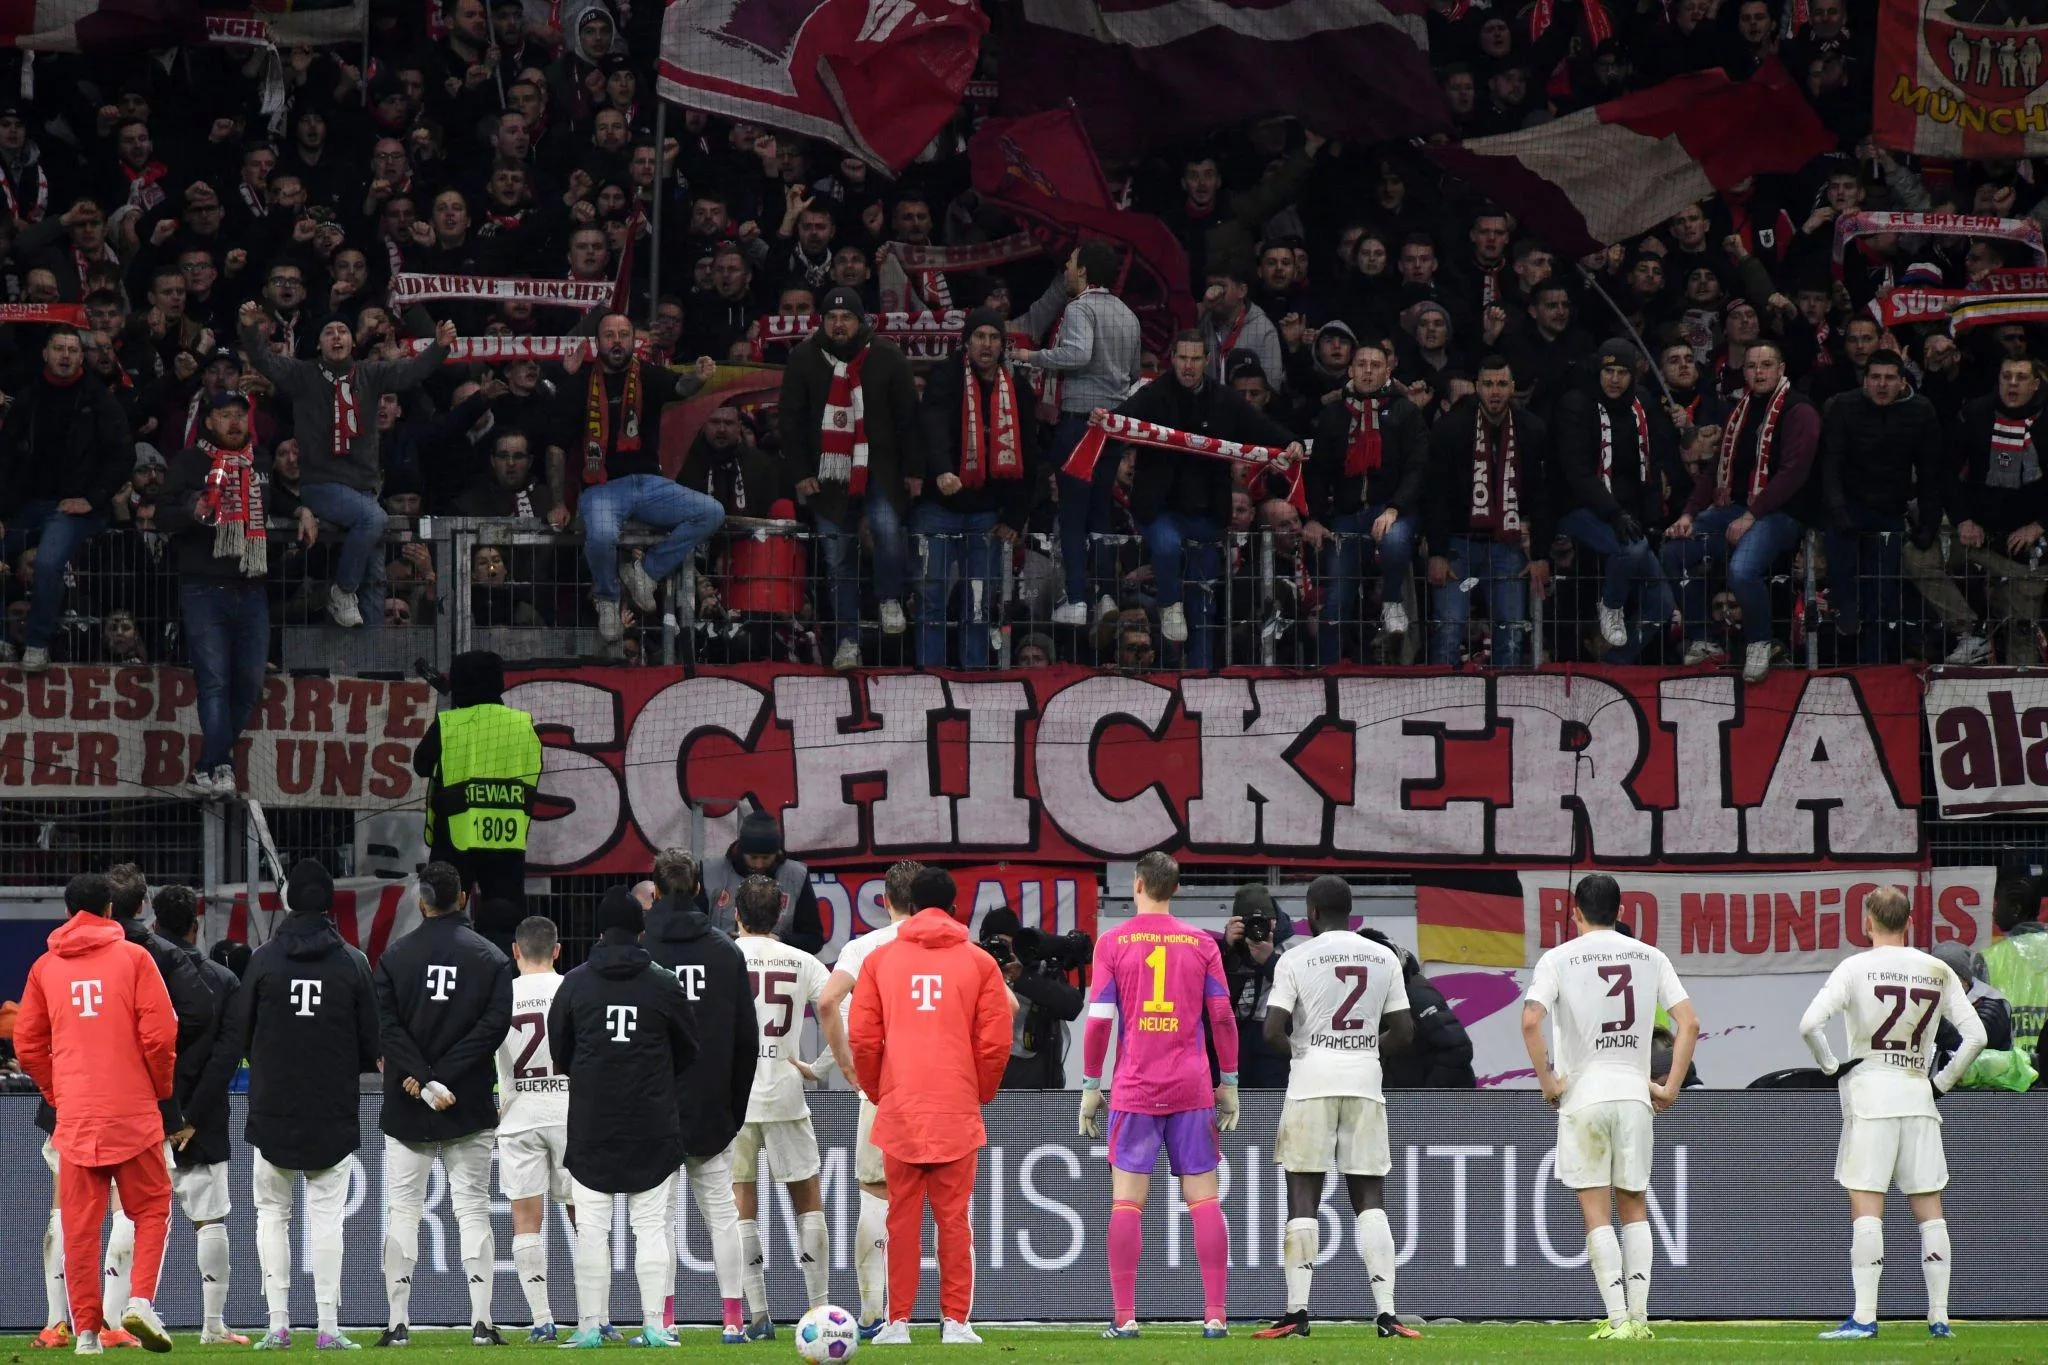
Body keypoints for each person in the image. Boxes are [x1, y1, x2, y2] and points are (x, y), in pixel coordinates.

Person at [201, 859, 380, 1351]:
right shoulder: (352, 962)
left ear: (287, 902)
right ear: (328, 902)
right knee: (326, 1219)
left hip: (272, 1105)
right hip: (332, 1108)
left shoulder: (263, 959)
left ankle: (277, 1324)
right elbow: (372, 1041)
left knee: (271, 1215)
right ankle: (328, 1327)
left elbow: (242, 1032)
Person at [1799, 887, 1987, 1341]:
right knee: (1930, 1211)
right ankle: (1939, 1317)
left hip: (1870, 1098)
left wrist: (1829, 1067)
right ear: (1910, 922)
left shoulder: (1854, 968)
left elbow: (1808, 1025)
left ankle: (1865, 1317)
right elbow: (1976, 1036)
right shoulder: (1937, 970)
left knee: (1867, 1207)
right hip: (1917, 1098)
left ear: (1867, 920)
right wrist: (1939, 1084)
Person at [1521, 873, 1698, 1342]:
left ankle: (1618, 1319)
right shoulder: (1651, 956)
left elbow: (1530, 1021)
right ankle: (1639, 1321)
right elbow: (1689, 1023)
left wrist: (1548, 1082)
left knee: (1596, 1212)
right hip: (1635, 1092)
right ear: (1621, 913)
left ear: (1574, 912)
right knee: (1635, 1204)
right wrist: (1672, 1087)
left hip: (1585, 1094)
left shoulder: (1557, 958)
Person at [13, 872, 178, 1355]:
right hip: (133, 1110)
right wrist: (159, 1089)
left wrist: (57, 1090)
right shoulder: (135, 958)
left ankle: (85, 1333)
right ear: (110, 911)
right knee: (151, 1209)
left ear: (68, 913)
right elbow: (161, 1035)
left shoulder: (45, 968)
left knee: (79, 1226)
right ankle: (140, 1300)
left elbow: (26, 1043)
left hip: (78, 1116)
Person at [848, 867, 1012, 1345]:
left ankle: (897, 1321)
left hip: (899, 1105)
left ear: (911, 907)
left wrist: (880, 1090)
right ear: (955, 907)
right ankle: (955, 1323)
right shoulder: (980, 963)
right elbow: (995, 1042)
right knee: (953, 1219)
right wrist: (978, 1091)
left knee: (900, 1218)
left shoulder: (880, 961)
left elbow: (862, 1036)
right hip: (955, 1106)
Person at [1080, 850, 1239, 1338]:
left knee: (1127, 1203)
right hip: (1191, 1087)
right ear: (1176, 889)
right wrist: (1228, 1082)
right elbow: (1223, 1017)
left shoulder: (1112, 942)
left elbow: (1100, 1022)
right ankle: (1215, 1315)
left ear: (1137, 885)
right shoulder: (1201, 943)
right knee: (1205, 1201)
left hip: (1135, 1087)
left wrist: (1090, 1085)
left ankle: (1125, 1318)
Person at [1253, 875, 1418, 1340]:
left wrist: (1309, 1052)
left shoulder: (1296, 957)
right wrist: (1363, 1050)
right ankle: (1387, 1314)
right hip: (1365, 1081)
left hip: (1311, 1083)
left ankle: (1297, 1313)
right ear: (1350, 911)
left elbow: (1271, 1032)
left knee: (1304, 1196)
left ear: (1312, 913)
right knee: (1370, 1200)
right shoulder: (1384, 956)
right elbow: (1405, 1032)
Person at [548, 887, 701, 1349]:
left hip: (593, 1121)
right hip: (651, 1121)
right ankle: (655, 1326)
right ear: (640, 930)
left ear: (599, 931)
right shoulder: (664, 982)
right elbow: (689, 1050)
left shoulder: (574, 983)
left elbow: (560, 1052)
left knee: (592, 1228)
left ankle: (590, 1326)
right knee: (652, 1227)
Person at [236, 302, 451, 628]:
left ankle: (373, 661)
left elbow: (411, 372)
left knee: (376, 575)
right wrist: (251, 329)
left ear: (352, 341)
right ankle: (342, 590)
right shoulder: (302, 374)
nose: (336, 336)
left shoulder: (370, 373)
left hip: (364, 488)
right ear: (319, 343)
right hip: (321, 485)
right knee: (373, 519)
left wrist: (439, 347)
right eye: (328, 332)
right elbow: (264, 360)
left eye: (343, 331)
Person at [372, 860, 515, 1347]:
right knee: (473, 1209)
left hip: (409, 1100)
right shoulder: (491, 958)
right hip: (467, 1101)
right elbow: (493, 1029)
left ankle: (397, 1325)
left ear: (422, 902)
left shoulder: (395, 957)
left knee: (402, 1211)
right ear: (463, 899)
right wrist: (444, 1079)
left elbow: (387, 1028)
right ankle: (482, 1322)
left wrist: (421, 1076)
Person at [1109, 330, 1303, 667]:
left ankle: (1200, 675)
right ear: (1173, 359)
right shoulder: (1153, 394)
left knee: (1204, 600)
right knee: (1167, 549)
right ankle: (1170, 605)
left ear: (1207, 362)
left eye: (1195, 359)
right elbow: (1119, 419)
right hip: (1159, 508)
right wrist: (1102, 420)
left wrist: (1292, 442)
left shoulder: (1224, 399)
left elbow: (1260, 425)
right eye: (1182, 358)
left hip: (1205, 511)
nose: (1188, 366)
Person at [159, 389, 313, 797]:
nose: (233, 422)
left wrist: (301, 509)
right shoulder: (189, 461)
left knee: (248, 683)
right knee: (213, 682)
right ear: (209, 422)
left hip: (252, 586)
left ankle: (206, 767)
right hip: (203, 587)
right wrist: (190, 512)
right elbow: (161, 513)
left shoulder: (258, 461)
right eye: (225, 415)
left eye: (239, 416)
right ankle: (222, 764)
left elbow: (274, 495)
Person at [96, 864, 218, 1335]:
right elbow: (195, 1014)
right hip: (144, 1099)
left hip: (82, 1102)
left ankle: (86, 1323)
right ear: (141, 905)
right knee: (141, 1206)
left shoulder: (66, 956)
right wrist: (156, 1063)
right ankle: (132, 1307)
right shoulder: (154, 953)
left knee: (79, 1212)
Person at [642, 847, 755, 1344]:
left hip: (657, 1106)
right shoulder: (726, 950)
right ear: (697, 890)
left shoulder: (643, 952)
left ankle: (665, 1320)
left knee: (658, 1218)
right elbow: (746, 1042)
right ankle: (733, 1318)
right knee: (723, 1216)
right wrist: (733, 1108)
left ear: (657, 891)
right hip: (714, 1106)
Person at [777, 286, 922, 669]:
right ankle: (846, 642)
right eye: (832, 317)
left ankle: (890, 598)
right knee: (837, 560)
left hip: (881, 468)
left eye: (846, 317)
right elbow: (789, 422)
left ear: (861, 321)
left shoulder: (887, 356)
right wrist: (800, 473)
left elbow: (909, 419)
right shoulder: (804, 359)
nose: (839, 324)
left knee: (887, 529)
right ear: (822, 321)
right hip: (826, 475)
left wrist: (914, 471)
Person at [555, 312, 722, 642]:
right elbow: (555, 445)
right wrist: (560, 501)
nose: (617, 341)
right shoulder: (578, 382)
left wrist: (699, 377)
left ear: (634, 341)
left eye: (623, 335)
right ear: (598, 343)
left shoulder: (647, 375)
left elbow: (681, 386)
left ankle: (645, 573)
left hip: (648, 484)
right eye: (609, 335)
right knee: (601, 535)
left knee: (711, 512)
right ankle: (607, 598)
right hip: (600, 488)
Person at [733, 874, 850, 1335]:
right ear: (780, 914)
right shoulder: (803, 961)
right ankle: (818, 1310)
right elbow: (844, 1010)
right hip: (785, 1092)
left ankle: (758, 1315)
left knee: (742, 1203)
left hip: (735, 1098)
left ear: (736, 914)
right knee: (808, 1203)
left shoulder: (723, 957)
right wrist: (820, 1066)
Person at [1662, 340, 1817, 682]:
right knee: (1674, 550)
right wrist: (1688, 514)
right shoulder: (1740, 411)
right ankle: (1703, 639)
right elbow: (1715, 465)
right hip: (1737, 509)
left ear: (1781, 370)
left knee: (1742, 571)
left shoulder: (1799, 410)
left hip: (1783, 513)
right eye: (1751, 366)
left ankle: (1760, 642)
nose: (1758, 372)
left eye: (1766, 365)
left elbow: (1793, 473)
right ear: (1743, 372)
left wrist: (1751, 516)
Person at [815, 859, 922, 1335]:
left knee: (876, 1195)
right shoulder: (954, 946)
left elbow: (826, 1003)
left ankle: (875, 1313)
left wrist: (845, 1063)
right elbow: (1004, 1005)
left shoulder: (863, 947)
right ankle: (955, 1318)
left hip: (882, 1086)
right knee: (949, 1205)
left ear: (885, 900)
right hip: (941, 1090)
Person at [1011, 243, 1143, 627]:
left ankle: (1078, 599)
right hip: (1113, 425)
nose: (1066, 270)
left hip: (1081, 423)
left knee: (1071, 512)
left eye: (1069, 264)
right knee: (1099, 509)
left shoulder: (1079, 308)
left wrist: (1030, 357)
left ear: (1084, 271)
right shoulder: (1128, 314)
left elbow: (1076, 355)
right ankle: (1103, 596)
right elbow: (1134, 374)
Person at [0, 328, 134, 672]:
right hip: (26, 503)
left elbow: (122, 454)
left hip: (73, 505)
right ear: (45, 353)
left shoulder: (100, 399)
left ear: (81, 357)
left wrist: (92, 498)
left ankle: (36, 645)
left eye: (72, 350)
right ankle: (3, 638)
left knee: (47, 563)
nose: (65, 355)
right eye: (59, 348)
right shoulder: (29, 398)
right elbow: (6, 459)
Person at [147, 885, 247, 1345]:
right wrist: (189, 1116)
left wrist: (164, 1112)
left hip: (145, 1116)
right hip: (200, 1121)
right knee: (209, 1220)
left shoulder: (138, 974)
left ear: (154, 926)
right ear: (196, 925)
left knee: (133, 1217)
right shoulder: (223, 981)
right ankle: (213, 1327)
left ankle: (116, 1323)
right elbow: (227, 1057)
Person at [1904, 357, 2048, 665]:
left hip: (2028, 549)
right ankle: (1970, 631)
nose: (2012, 383)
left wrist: (2039, 525)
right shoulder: (1976, 413)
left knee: (2020, 636)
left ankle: (2021, 705)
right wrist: (1963, 519)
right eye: (2006, 376)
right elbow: (1946, 471)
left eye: (2021, 377)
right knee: (1916, 555)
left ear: (2035, 384)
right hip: (1977, 534)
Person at [914, 307, 1037, 667]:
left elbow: (1028, 454)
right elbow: (932, 425)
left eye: (994, 337)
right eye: (980, 336)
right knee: (931, 598)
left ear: (1002, 344)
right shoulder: (945, 377)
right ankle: (929, 681)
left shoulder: (1017, 388)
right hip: (938, 508)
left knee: (979, 602)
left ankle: (974, 679)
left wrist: (1015, 516)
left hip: (986, 514)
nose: (987, 344)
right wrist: (941, 470)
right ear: (966, 342)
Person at [1550, 340, 1678, 662]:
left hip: (1625, 511)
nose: (1615, 379)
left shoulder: (1642, 402)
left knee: (1662, 602)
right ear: (1598, 370)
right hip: (1578, 506)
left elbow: (1650, 464)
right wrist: (1614, 513)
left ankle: (1615, 664)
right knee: (1630, 548)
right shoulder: (1576, 403)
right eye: (1609, 371)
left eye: (1623, 372)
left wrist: (1650, 520)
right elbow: (1576, 473)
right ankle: (1611, 606)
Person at [1424, 354, 1552, 666]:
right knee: (1449, 632)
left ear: (1513, 387)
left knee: (1510, 634)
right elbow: (1434, 493)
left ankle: (1504, 709)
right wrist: (1437, 552)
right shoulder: (1451, 429)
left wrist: (1540, 554)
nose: (1495, 392)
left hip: (1507, 545)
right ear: (1476, 388)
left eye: (1501, 384)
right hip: (1458, 542)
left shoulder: (1532, 429)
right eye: (1488, 384)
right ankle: (1445, 704)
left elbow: (1543, 495)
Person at [1817, 350, 1941, 664]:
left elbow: (1931, 472)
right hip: (1847, 504)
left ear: (1902, 382)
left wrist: (1929, 523)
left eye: (1889, 378)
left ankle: (1873, 663)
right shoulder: (1842, 406)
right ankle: (1845, 608)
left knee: (1884, 594)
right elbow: (1829, 464)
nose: (1881, 385)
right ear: (1865, 380)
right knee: (1843, 576)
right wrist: (1838, 510)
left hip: (1890, 509)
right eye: (1875, 377)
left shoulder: (1921, 410)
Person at [410, 650, 542, 947]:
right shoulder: (522, 724)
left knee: (442, 914)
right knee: (507, 920)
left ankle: (442, 972)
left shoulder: (450, 724)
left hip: (455, 837)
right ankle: (507, 978)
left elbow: (421, 765)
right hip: (506, 837)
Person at [1305, 341, 1427, 660]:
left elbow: (1417, 468)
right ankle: (1327, 670)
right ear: (1350, 370)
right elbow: (1317, 472)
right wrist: (1315, 518)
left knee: (1396, 541)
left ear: (1388, 371)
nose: (1368, 371)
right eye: (1362, 365)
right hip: (1346, 514)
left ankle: (1391, 600)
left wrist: (1393, 508)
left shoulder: (1406, 411)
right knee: (1337, 599)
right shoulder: (1334, 416)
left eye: (1376, 365)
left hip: (1393, 508)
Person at [494, 916, 573, 1343]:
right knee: (586, 1218)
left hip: (518, 1115)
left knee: (526, 1222)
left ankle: (542, 1320)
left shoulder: (501, 995)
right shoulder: (572, 988)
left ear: (515, 951)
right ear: (558, 950)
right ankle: (595, 1318)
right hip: (569, 1112)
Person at [978, 906, 1085, 1090]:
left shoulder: (1037, 968)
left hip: (1035, 1078)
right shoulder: (973, 969)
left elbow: (1073, 1005)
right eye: (995, 946)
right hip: (985, 1074)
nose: (1001, 953)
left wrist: (1023, 978)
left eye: (1008, 946)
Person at [1365, 930, 1477, 1089]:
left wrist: (1426, 1097)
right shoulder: (1380, 992)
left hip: (1443, 1106)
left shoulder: (1416, 993)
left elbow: (1458, 1048)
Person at [699, 811, 825, 953]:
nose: (759, 864)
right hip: (722, 964)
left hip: (777, 965)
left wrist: (780, 941)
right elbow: (693, 932)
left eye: (766, 857)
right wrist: (721, 942)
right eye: (753, 857)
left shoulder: (796, 876)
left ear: (776, 852)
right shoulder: (710, 873)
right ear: (741, 851)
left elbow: (814, 940)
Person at [1979, 875, 2048, 1067]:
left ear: (2016, 910)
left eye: (1998, 904)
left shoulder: (1988, 959)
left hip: (2008, 1072)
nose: (1993, 912)